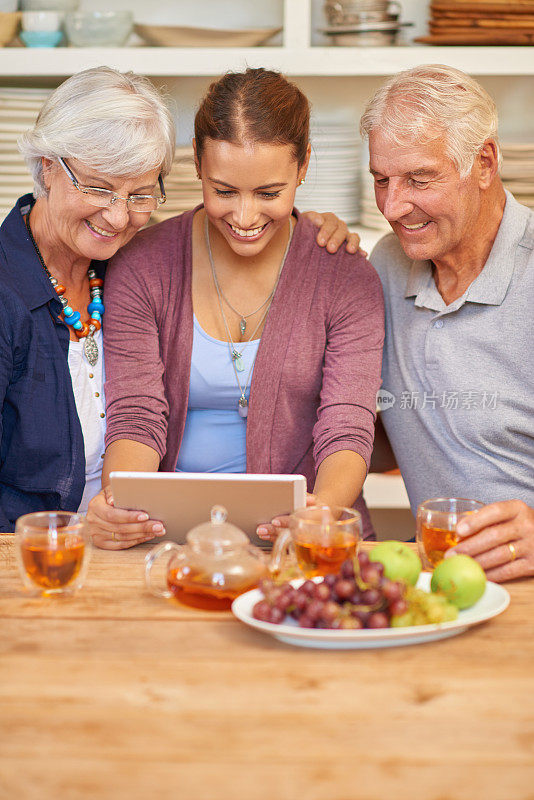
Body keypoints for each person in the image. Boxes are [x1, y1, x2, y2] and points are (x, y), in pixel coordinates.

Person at [0, 65, 362, 532]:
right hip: (28, 552)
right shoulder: (18, 290)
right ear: (48, 168)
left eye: (140, 194)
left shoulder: (117, 261)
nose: (117, 216)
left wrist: (303, 224)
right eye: (98, 188)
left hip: (124, 534)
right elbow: (137, 414)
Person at [87, 67, 385, 549]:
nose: (245, 218)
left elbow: (347, 424)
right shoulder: (142, 266)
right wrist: (124, 501)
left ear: (304, 165)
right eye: (224, 191)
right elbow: (136, 412)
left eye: (269, 194)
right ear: (198, 165)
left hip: (309, 535)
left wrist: (323, 512)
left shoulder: (345, 277)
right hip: (169, 537)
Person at [360, 64, 534, 581]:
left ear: (484, 163)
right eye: (381, 180)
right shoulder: (388, 265)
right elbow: (399, 425)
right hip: (440, 580)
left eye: (419, 179)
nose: (394, 206)